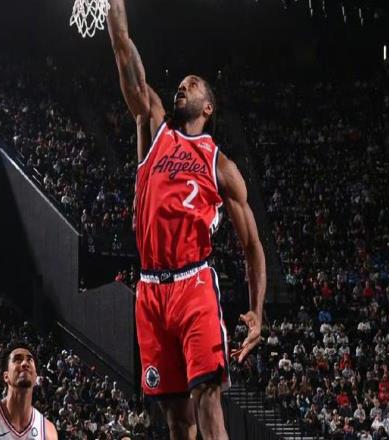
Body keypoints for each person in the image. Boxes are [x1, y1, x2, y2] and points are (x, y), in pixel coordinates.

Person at [106, 2, 266, 439]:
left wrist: (257, 310)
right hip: (150, 290)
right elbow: (123, 48)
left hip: (193, 284)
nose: (183, 86)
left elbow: (252, 245)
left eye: (192, 85)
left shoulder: (220, 165)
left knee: (208, 399)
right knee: (178, 421)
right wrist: (113, 7)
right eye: (180, 83)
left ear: (208, 106)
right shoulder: (154, 129)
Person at [0, 342, 58, 440]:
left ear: (35, 377)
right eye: (18, 360)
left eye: (29, 360)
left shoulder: (48, 431)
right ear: (6, 376)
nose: (25, 363)